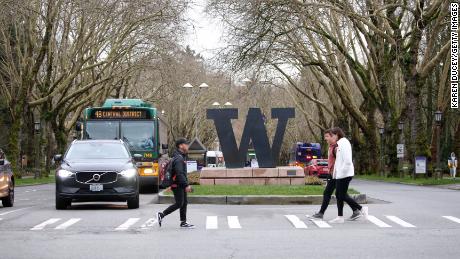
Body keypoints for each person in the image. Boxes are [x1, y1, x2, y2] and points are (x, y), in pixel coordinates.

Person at [327, 127, 368, 224]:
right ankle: (341, 216)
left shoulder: (344, 143)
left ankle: (361, 209)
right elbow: (339, 160)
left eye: (332, 135)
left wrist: (341, 172)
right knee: (339, 194)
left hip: (345, 174)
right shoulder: (340, 143)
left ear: (337, 134)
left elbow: (348, 161)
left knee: (341, 195)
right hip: (341, 174)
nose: (332, 137)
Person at [157, 138, 195, 229]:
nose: (187, 146)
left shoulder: (180, 156)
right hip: (177, 184)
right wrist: (186, 185)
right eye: (186, 144)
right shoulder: (179, 158)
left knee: (184, 202)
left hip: (179, 184)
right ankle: (161, 215)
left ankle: (183, 222)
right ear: (181, 146)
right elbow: (179, 173)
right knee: (179, 203)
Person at [309, 129, 339, 220]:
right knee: (338, 194)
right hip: (331, 174)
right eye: (325, 136)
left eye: (327, 136)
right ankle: (357, 209)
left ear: (332, 136)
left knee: (331, 193)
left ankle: (358, 209)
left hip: (335, 174)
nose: (325, 138)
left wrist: (335, 171)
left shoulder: (336, 147)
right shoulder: (330, 146)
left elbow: (340, 161)